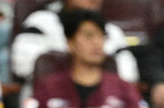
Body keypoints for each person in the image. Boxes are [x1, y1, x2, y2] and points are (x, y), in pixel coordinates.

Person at [11, 0, 139, 86]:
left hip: (104, 100)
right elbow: (23, 66)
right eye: (88, 36)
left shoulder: (113, 32)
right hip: (50, 96)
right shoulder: (42, 22)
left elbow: (128, 76)